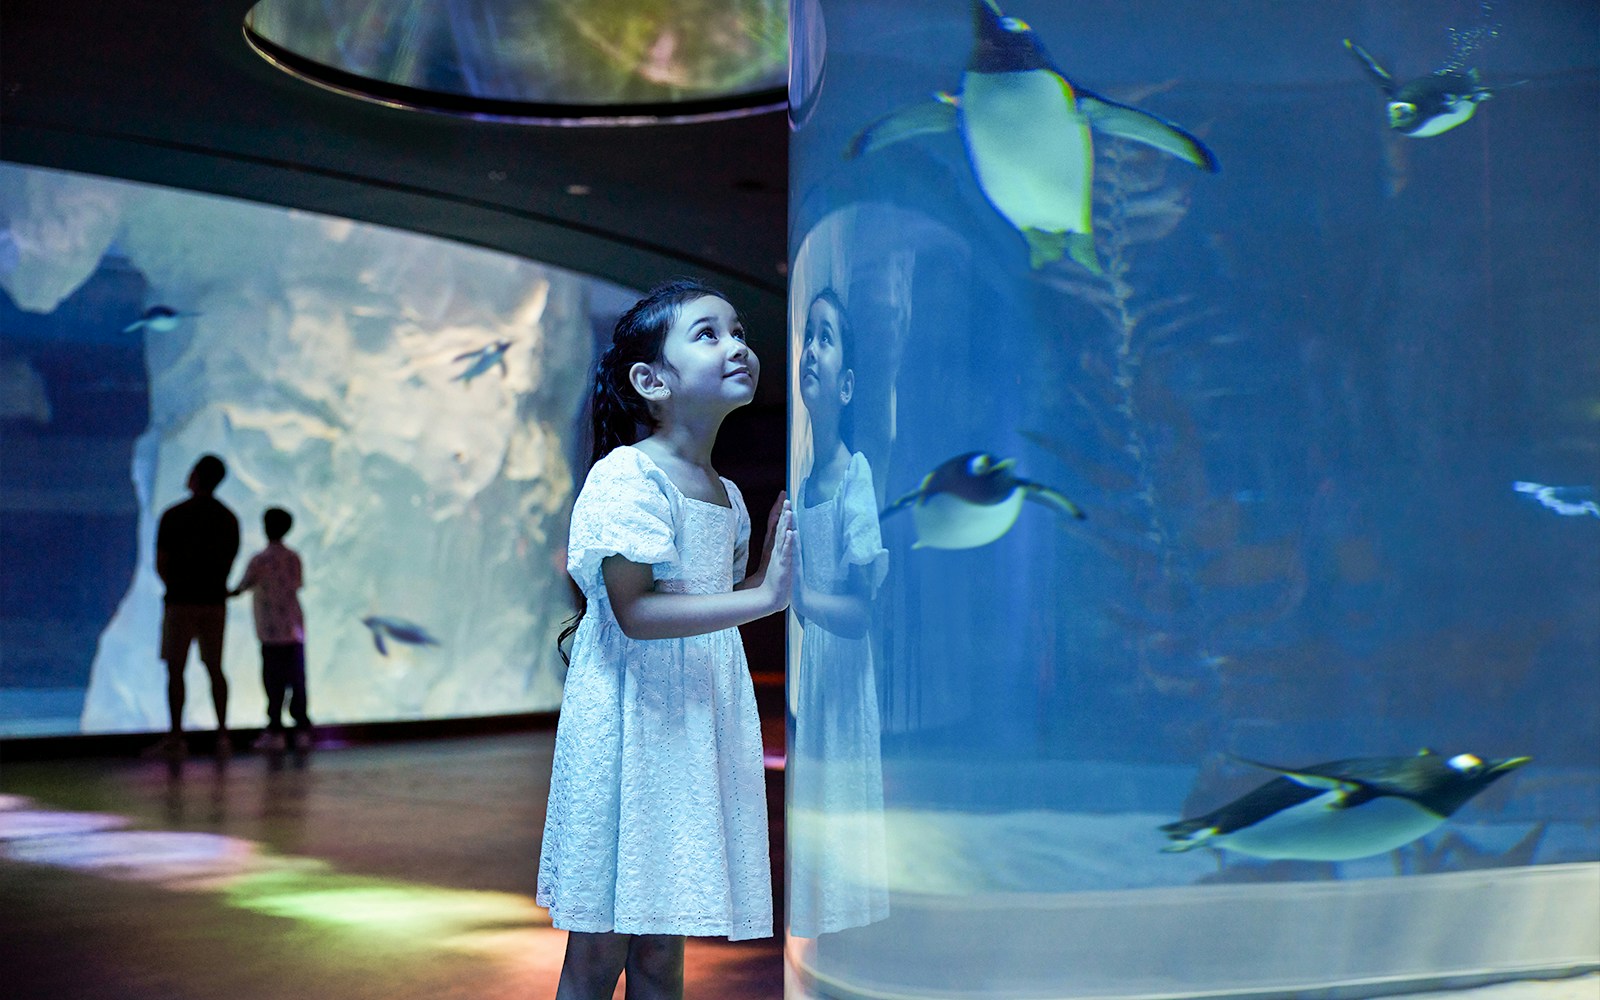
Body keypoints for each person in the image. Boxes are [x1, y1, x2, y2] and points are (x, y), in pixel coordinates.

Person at [540, 279, 795, 1000]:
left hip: (687, 726)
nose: (738, 345)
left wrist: (755, 575)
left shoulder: (727, 491)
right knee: (598, 953)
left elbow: (706, 599)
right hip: (631, 726)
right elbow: (635, 613)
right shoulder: (627, 475)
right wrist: (761, 595)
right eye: (708, 334)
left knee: (661, 945)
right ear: (650, 380)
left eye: (739, 330)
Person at [789, 288, 890, 938]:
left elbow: (859, 612)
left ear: (847, 383)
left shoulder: (856, 476)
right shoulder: (802, 480)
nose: (810, 350)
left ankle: (852, 955)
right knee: (817, 822)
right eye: (807, 335)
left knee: (844, 817)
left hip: (847, 681)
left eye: (825, 336)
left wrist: (803, 600)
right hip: (816, 679)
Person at [150, 454, 240, 759]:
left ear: (196, 476)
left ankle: (177, 737)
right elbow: (229, 560)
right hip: (214, 602)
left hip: (180, 602)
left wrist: (175, 585)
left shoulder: (174, 515)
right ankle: (223, 734)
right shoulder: (228, 518)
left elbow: (161, 563)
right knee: (215, 667)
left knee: (176, 668)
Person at [230, 506, 311, 752]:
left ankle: (275, 730)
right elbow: (297, 584)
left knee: (273, 681)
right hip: (293, 631)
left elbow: (243, 586)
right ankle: (301, 730)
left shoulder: (259, 560)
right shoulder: (293, 558)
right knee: (297, 680)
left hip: (270, 633)